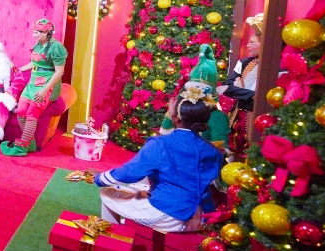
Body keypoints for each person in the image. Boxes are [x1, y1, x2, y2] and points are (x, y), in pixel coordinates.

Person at [93, 92, 222, 232]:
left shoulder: (160, 144)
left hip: (168, 215)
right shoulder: (213, 150)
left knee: (108, 192)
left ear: (177, 118)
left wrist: (100, 178)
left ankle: (115, 238)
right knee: (138, 187)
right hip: (200, 217)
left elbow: (131, 172)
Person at [1, 18, 67, 156]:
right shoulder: (39, 44)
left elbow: (59, 72)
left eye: (36, 32)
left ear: (46, 33)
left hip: (47, 86)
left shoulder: (57, 48)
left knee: (32, 114)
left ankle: (22, 147)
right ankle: (29, 143)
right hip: (33, 83)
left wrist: (44, 91)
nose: (34, 35)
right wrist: (19, 69)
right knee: (21, 111)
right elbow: (35, 63)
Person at [159, 44, 230, 151]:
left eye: (199, 92)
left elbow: (220, 150)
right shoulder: (183, 109)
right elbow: (165, 137)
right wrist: (171, 114)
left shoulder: (217, 116)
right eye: (191, 91)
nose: (194, 96)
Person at [220, 13, 262, 155]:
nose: (248, 45)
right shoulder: (244, 62)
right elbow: (226, 88)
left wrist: (241, 91)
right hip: (239, 115)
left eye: (252, 43)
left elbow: (263, 97)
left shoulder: (278, 67)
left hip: (257, 116)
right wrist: (252, 95)